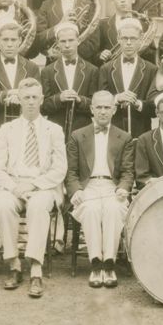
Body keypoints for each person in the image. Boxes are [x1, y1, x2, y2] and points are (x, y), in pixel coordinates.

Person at [0, 78, 66, 299]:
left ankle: (35, 267)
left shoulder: (54, 130)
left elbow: (60, 169)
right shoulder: (6, 129)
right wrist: (15, 188)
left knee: (39, 205)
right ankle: (14, 264)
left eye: (35, 97)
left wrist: (33, 185)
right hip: (13, 184)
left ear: (42, 100)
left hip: (41, 185)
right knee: (3, 205)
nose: (31, 102)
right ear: (19, 100)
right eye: (26, 98)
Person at [65, 91, 135, 288]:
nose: (103, 111)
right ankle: (96, 263)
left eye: (107, 107)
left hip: (112, 186)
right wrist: (76, 190)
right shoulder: (78, 136)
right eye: (99, 107)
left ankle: (109, 263)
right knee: (91, 209)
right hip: (88, 186)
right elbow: (71, 171)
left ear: (114, 110)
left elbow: (128, 172)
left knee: (114, 209)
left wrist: (123, 188)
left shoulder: (124, 137)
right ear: (92, 109)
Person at [97, 16, 158, 136]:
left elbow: (155, 108)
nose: (129, 43)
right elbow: (98, 102)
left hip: (141, 134)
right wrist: (116, 99)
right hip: (112, 134)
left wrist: (138, 104)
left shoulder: (152, 69)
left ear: (141, 40)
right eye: (125, 38)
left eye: (133, 38)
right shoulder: (106, 68)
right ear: (118, 39)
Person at [40, 20, 99, 139]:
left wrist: (79, 100)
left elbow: (97, 106)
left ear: (78, 41)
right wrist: (59, 98)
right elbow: (42, 107)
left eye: (71, 40)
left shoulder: (92, 70)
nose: (67, 45)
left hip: (83, 132)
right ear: (57, 43)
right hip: (55, 131)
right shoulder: (48, 71)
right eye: (63, 41)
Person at [0, 19, 41, 127]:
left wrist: (22, 98)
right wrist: (6, 95)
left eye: (13, 40)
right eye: (5, 40)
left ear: (20, 40)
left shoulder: (32, 68)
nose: (9, 44)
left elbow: (38, 103)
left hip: (24, 129)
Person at [90, 0, 156, 66]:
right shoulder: (102, 24)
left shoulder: (144, 25)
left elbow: (152, 55)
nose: (123, 0)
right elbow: (92, 55)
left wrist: (141, 47)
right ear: (112, 0)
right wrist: (100, 55)